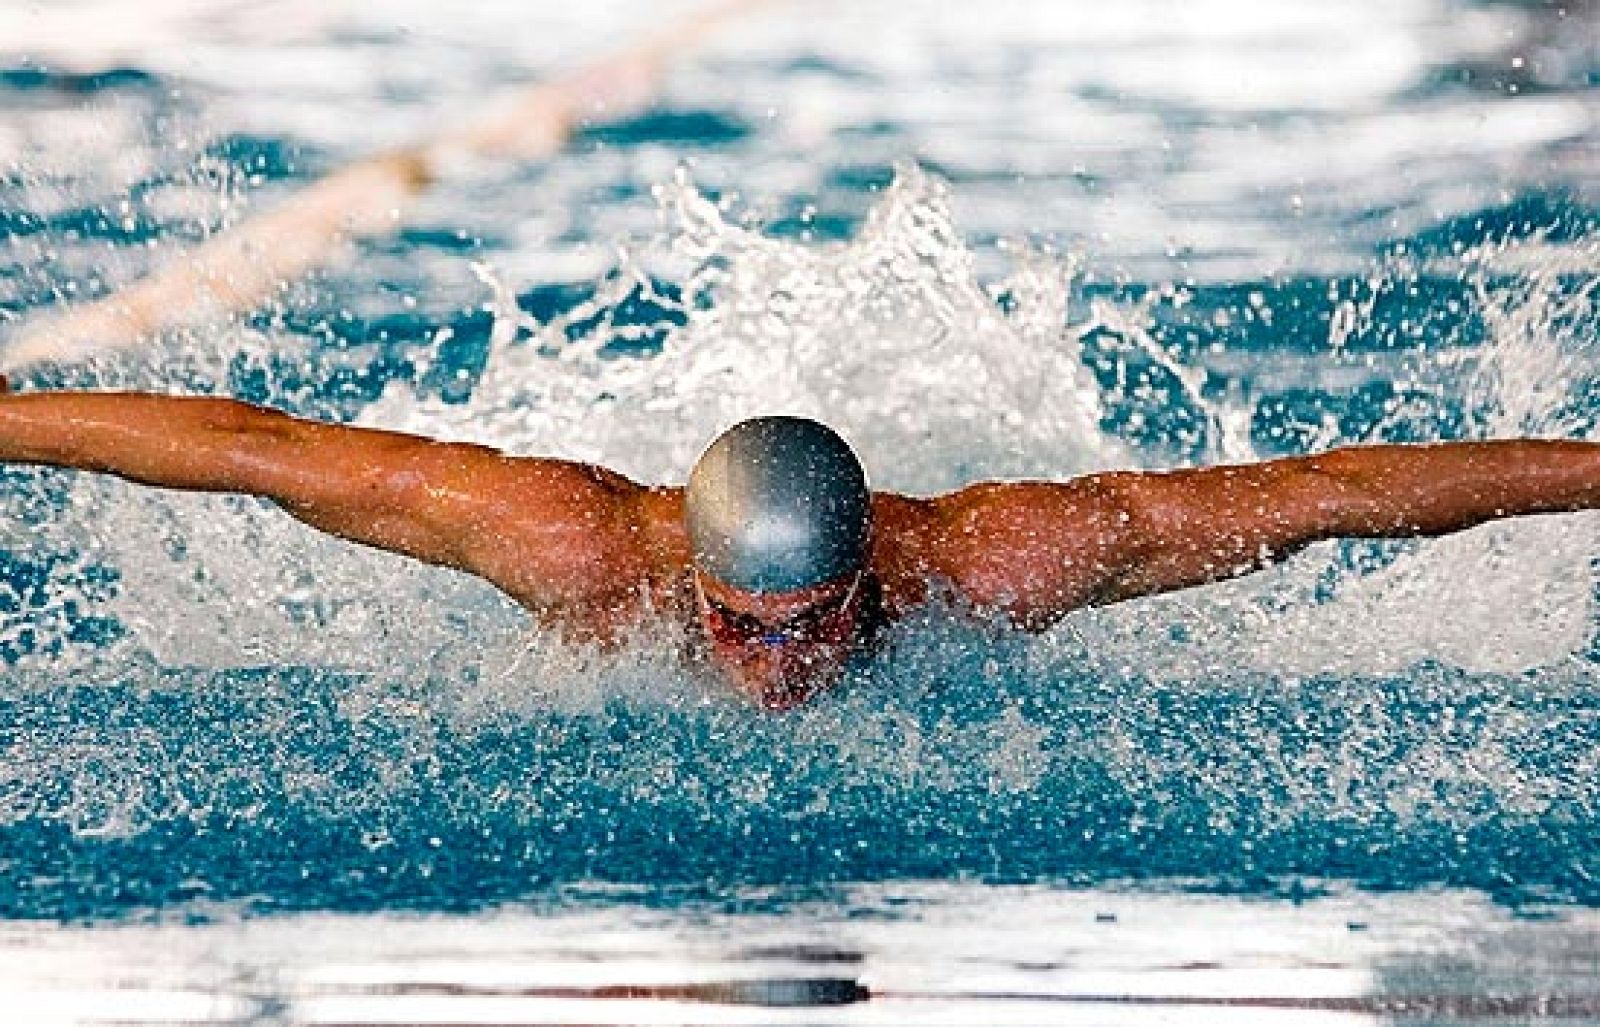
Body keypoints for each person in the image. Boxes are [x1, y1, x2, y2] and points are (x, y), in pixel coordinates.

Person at [3, 381, 1600, 709]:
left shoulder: (996, 559)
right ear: (688, 584)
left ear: (870, 579)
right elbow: (253, 453)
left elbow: (1328, 489)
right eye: (745, 627)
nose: (788, 664)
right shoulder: (571, 550)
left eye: (819, 621)